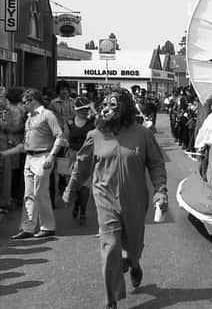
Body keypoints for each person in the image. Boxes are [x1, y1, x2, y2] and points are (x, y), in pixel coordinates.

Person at [63, 88, 168, 309]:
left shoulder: (142, 134)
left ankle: (134, 263)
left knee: (133, 245)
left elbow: (156, 163)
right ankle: (111, 300)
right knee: (110, 246)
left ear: (125, 109)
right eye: (105, 106)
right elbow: (81, 166)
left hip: (136, 199)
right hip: (104, 197)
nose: (107, 110)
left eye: (113, 106)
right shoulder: (95, 135)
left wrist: (161, 189)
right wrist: (71, 189)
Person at [2, 89, 65, 239]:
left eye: (25, 103)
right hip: (30, 158)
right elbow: (25, 144)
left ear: (33, 100)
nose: (23, 106)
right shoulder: (29, 117)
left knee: (40, 193)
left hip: (43, 156)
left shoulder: (47, 115)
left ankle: (47, 226)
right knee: (28, 194)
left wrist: (51, 156)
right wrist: (5, 153)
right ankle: (28, 227)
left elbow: (59, 136)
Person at [66, 97, 96, 224]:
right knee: (73, 184)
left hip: (86, 156)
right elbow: (64, 137)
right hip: (72, 156)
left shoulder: (92, 122)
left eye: (86, 109)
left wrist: (93, 108)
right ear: (76, 110)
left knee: (85, 185)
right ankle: (77, 203)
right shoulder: (69, 122)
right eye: (81, 110)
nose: (84, 112)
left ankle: (83, 210)